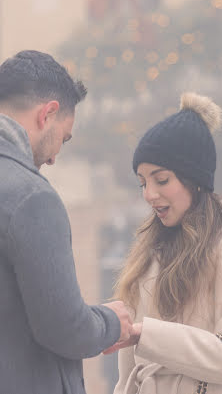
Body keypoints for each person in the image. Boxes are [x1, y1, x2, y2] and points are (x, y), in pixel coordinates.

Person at [0, 50, 133, 394]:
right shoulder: (31, 197)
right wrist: (111, 323)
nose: (56, 157)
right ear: (48, 114)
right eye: (64, 137)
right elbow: (63, 328)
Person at [104, 92, 222, 393]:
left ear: (194, 179)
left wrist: (147, 336)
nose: (149, 194)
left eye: (161, 180)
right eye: (142, 183)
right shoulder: (146, 255)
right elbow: (126, 376)